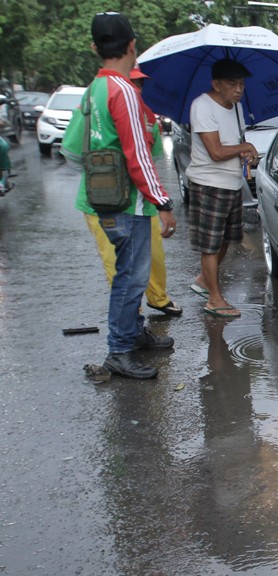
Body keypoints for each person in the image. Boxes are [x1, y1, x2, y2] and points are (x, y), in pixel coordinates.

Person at [61, 11, 177, 380]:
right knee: (130, 278)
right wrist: (163, 203)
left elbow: (76, 150)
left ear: (96, 48)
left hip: (104, 199)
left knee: (128, 275)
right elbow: (138, 156)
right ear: (132, 45)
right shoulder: (123, 90)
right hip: (128, 203)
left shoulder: (94, 89)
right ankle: (120, 350)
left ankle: (131, 335)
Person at [84, 65, 181, 317]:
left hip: (142, 199)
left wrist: (159, 201)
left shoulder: (148, 118)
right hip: (104, 203)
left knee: (151, 257)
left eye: (140, 85)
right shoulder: (93, 107)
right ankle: (130, 320)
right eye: (132, 83)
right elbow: (74, 153)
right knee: (118, 267)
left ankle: (157, 299)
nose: (136, 89)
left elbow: (151, 160)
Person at [186, 58, 258, 319]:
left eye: (241, 84)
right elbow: (215, 151)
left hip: (231, 183)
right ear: (216, 84)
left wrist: (249, 154)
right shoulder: (202, 106)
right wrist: (245, 148)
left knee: (227, 240)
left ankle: (204, 281)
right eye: (232, 84)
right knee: (211, 245)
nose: (238, 89)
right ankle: (214, 300)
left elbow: (235, 143)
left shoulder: (236, 108)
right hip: (209, 184)